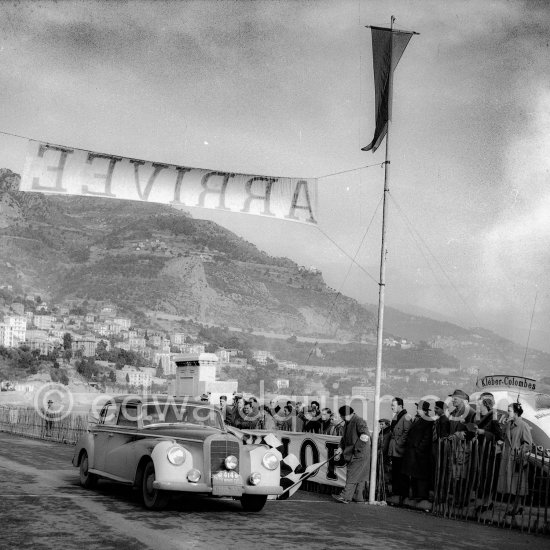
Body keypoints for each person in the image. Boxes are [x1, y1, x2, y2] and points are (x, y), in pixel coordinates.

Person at [497, 402, 533, 515]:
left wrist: (519, 453)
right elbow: (504, 437)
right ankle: (518, 507)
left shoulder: (523, 425)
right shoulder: (509, 424)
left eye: (509, 411)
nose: (507, 413)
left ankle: (516, 507)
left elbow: (528, 444)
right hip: (508, 457)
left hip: (517, 458)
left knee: (517, 483)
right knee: (512, 483)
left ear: (516, 412)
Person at [332, 405, 371, 504]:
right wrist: (341, 448)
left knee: (352, 474)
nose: (342, 418)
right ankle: (358, 497)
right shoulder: (348, 422)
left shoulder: (359, 421)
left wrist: (356, 449)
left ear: (348, 414)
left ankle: (345, 496)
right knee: (360, 476)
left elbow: (365, 435)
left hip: (359, 453)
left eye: (342, 416)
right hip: (357, 453)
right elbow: (344, 438)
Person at [402, 401, 434, 502]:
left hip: (420, 453)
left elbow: (427, 437)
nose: (416, 410)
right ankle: (416, 494)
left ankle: (422, 495)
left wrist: (419, 449)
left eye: (418, 408)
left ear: (424, 410)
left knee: (420, 475)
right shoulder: (419, 419)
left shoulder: (428, 421)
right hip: (414, 452)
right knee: (414, 474)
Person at [388, 397, 412, 504]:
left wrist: (399, 444)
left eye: (393, 405)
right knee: (395, 472)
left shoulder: (406, 417)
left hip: (399, 449)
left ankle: (402, 494)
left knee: (401, 473)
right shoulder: (397, 416)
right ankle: (396, 493)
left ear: (400, 406)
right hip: (394, 449)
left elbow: (407, 432)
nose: (391, 407)